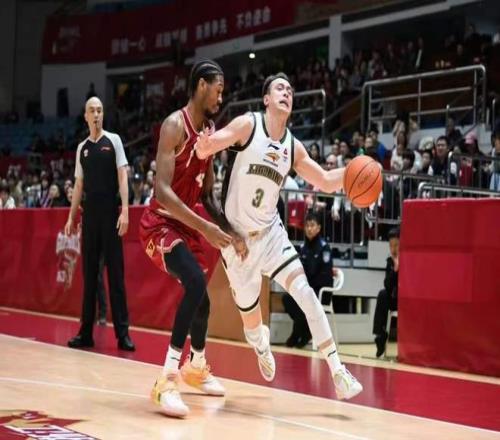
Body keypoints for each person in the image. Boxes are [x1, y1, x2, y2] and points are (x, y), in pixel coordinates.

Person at [195, 72, 362, 400]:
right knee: (251, 325)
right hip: (237, 241)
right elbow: (214, 143)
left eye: (290, 90)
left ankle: (338, 371)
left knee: (307, 295)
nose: (286, 93)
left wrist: (356, 169)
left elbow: (326, 181)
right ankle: (261, 344)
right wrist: (206, 144)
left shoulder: (292, 146)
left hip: (270, 234)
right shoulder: (248, 125)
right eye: (280, 88)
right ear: (266, 99)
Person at [139, 60, 242, 418]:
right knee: (196, 282)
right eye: (218, 89)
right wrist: (205, 228)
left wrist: (230, 230)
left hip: (185, 226)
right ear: (201, 85)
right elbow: (163, 193)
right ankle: (165, 380)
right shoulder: (174, 126)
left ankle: (195, 367)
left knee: (203, 302)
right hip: (159, 224)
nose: (221, 97)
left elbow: (208, 194)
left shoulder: (209, 132)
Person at [65, 97, 135, 352]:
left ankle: (123, 334)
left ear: (103, 114)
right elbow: (78, 185)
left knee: (116, 275)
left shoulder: (113, 140)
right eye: (92, 111)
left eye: (100, 110)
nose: (96, 114)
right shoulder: (81, 148)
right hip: (90, 217)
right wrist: (71, 217)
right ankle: (85, 333)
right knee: (90, 277)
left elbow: (123, 176)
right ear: (85, 116)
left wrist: (125, 210)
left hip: (111, 214)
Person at [282, 212, 333, 348]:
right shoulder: (303, 248)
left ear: (318, 228)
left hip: (320, 291)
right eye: (307, 226)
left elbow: (325, 276)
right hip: (306, 290)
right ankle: (304, 331)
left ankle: (298, 333)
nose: (309, 228)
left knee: (303, 299)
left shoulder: (324, 248)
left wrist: (308, 287)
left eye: (312, 225)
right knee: (287, 298)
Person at [373, 228, 399, 357]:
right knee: (382, 294)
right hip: (395, 298)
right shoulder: (390, 261)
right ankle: (380, 335)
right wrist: (395, 270)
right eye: (391, 246)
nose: (393, 249)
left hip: (407, 299)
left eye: (396, 245)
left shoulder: (409, 259)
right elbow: (387, 285)